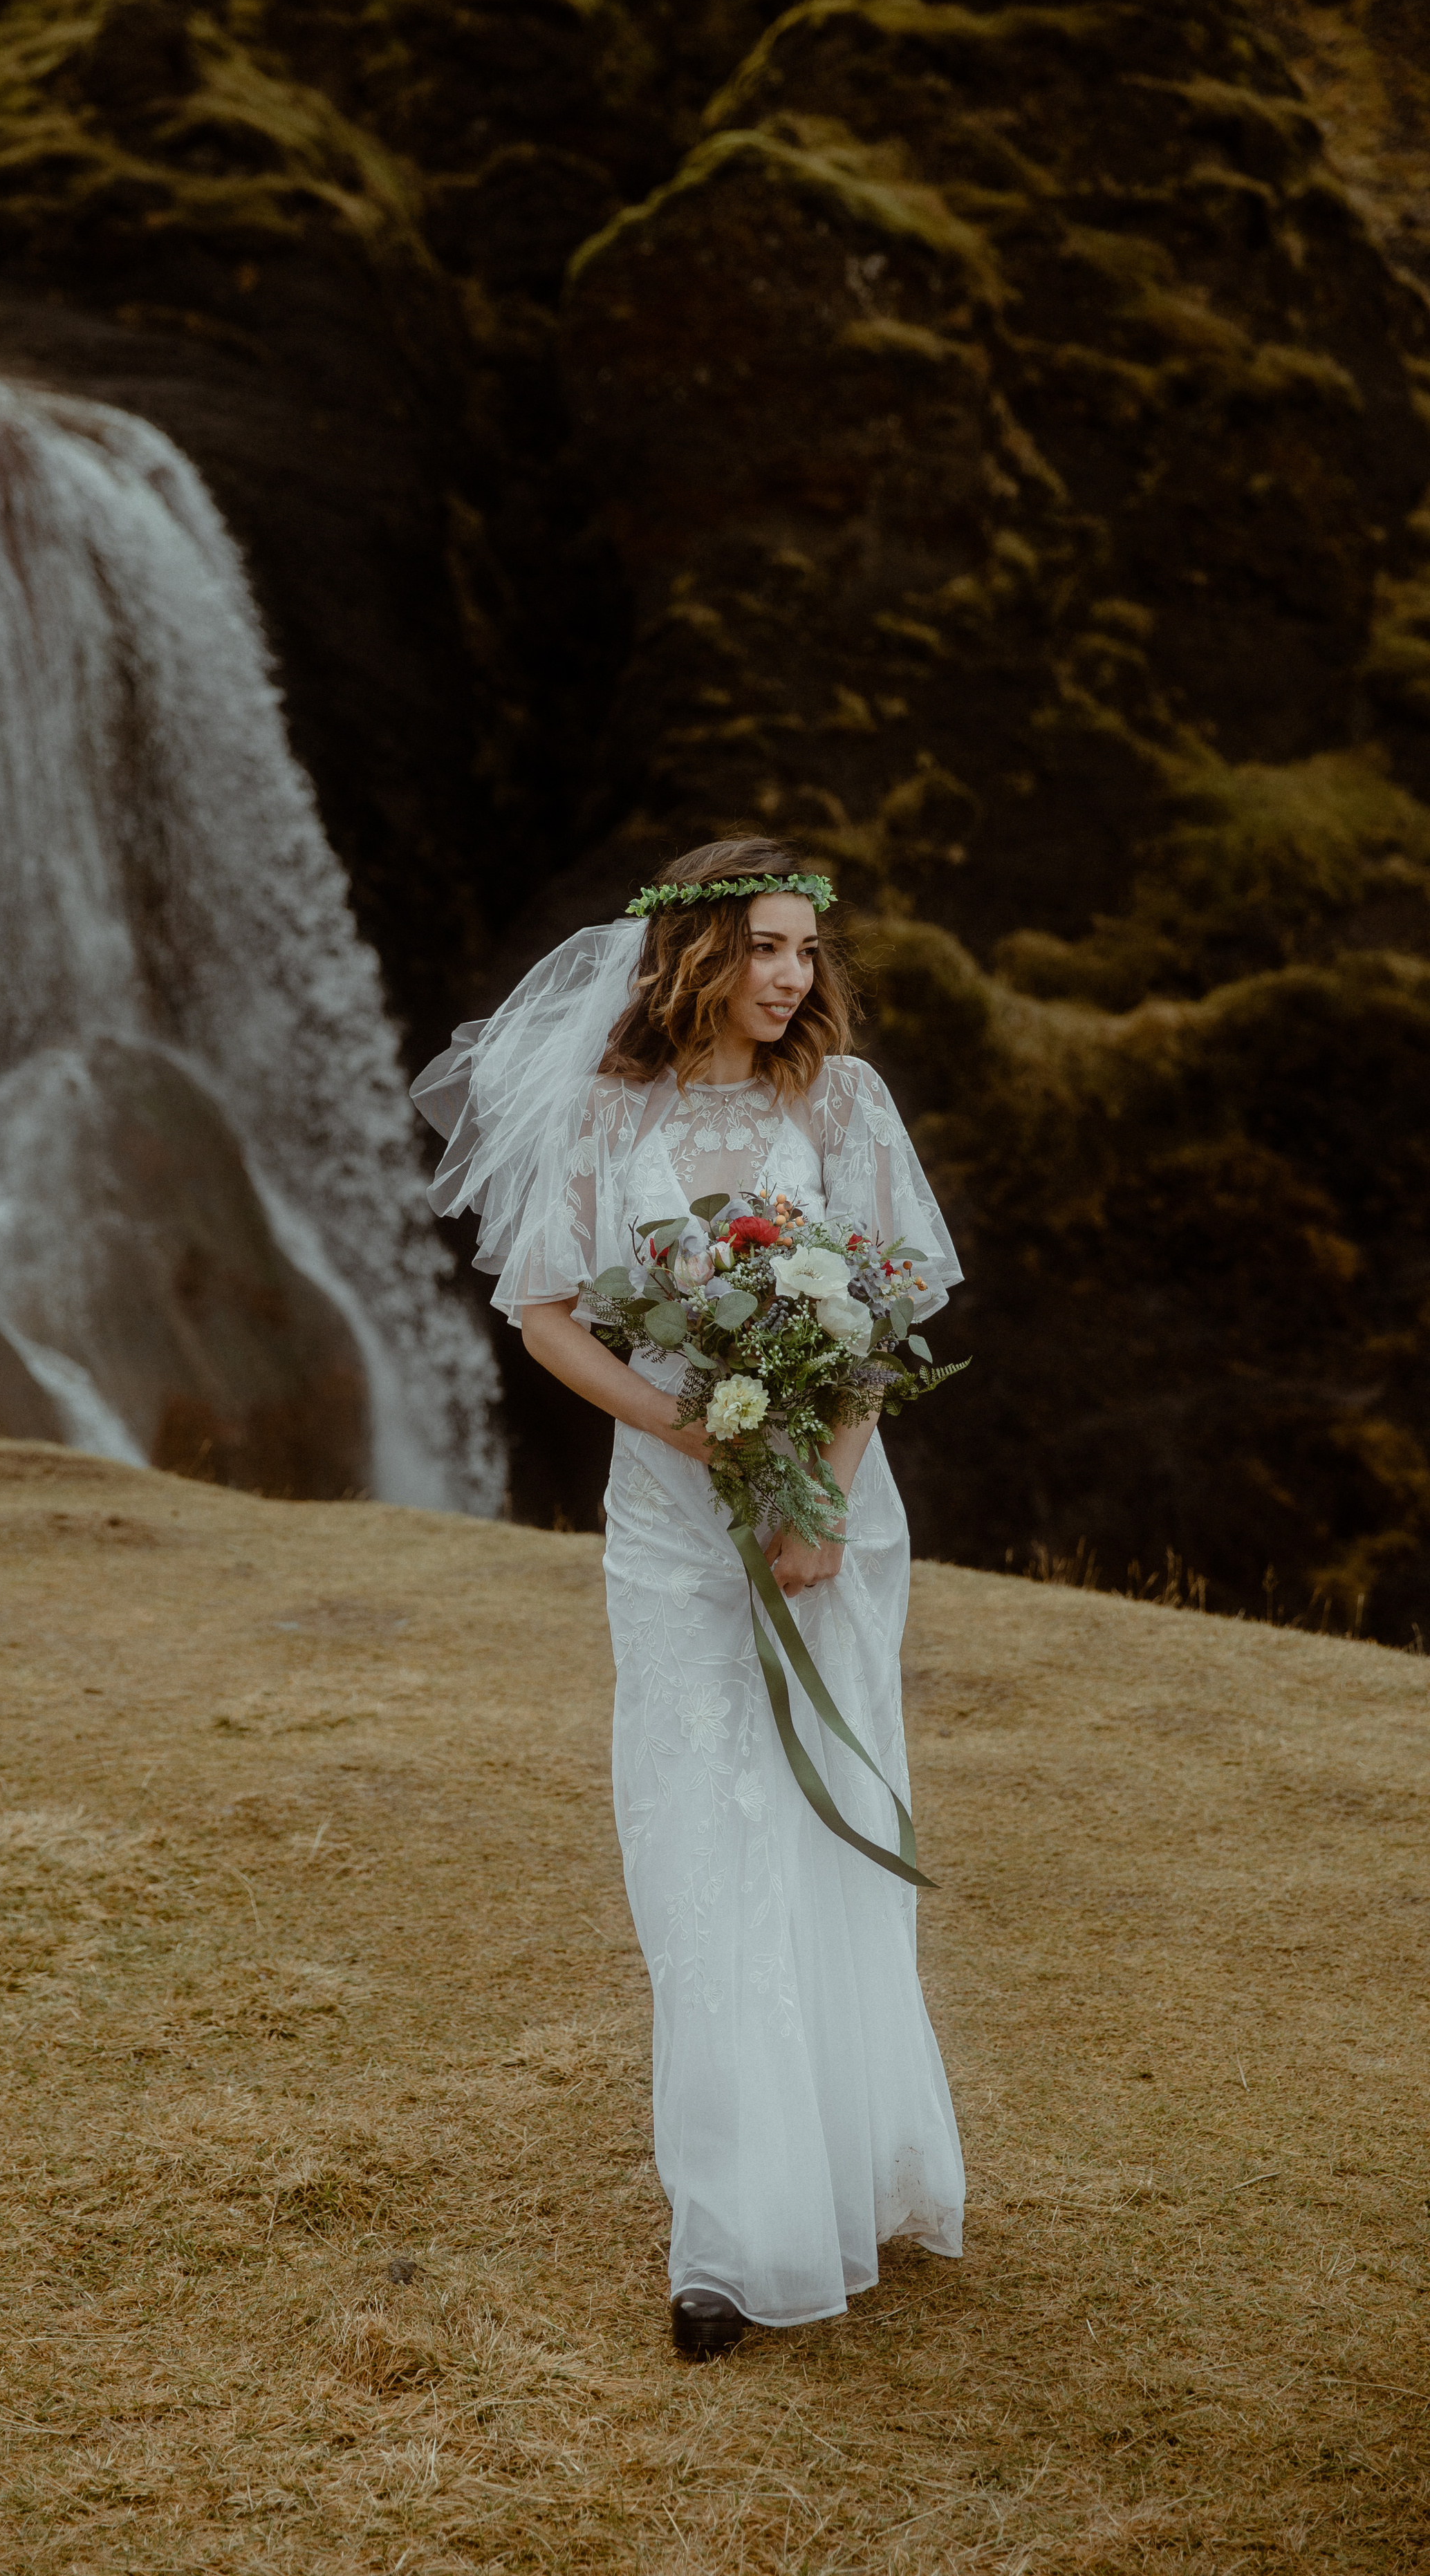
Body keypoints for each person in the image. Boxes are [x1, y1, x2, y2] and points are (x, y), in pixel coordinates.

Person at [412, 836, 965, 2360]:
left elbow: (881, 1308)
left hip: (819, 1509)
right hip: (664, 1519)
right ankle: (726, 2241)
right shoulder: (605, 1107)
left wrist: (812, 1495)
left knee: (815, 1824)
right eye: (766, 949)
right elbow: (541, 1316)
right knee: (695, 1839)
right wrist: (691, 1430)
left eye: (806, 953)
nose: (792, 978)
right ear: (695, 954)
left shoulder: (840, 1103)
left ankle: (860, 2170)